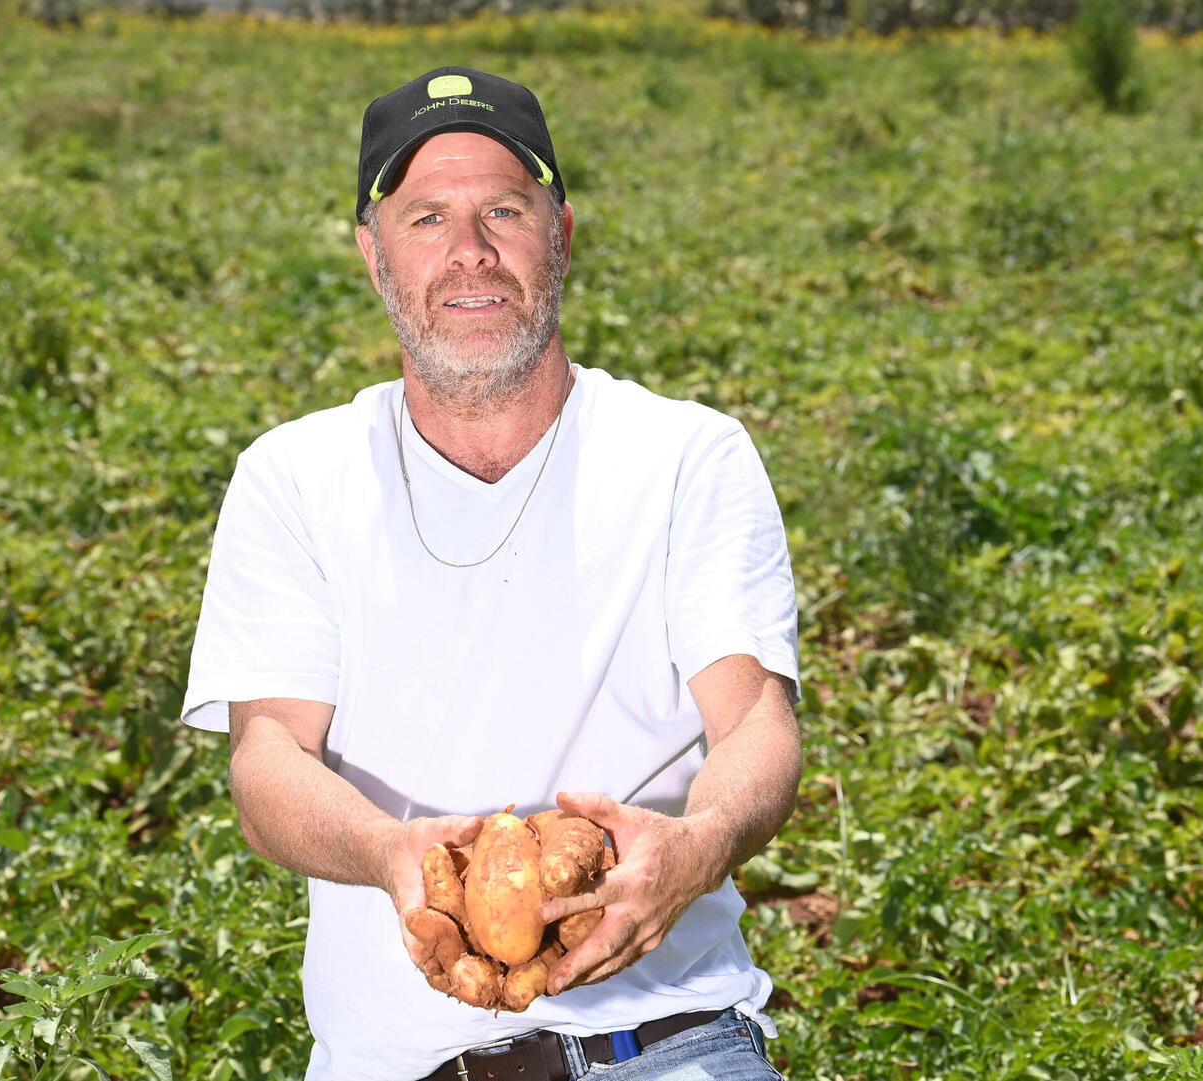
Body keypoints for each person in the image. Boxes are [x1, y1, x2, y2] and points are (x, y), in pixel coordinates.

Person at [181, 65, 802, 1081]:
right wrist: (394, 854)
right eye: (426, 218)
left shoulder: (686, 455)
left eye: (503, 210)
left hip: (666, 1047)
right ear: (374, 257)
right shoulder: (296, 476)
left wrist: (698, 843)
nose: (469, 253)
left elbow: (756, 722)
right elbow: (266, 766)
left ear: (559, 234)